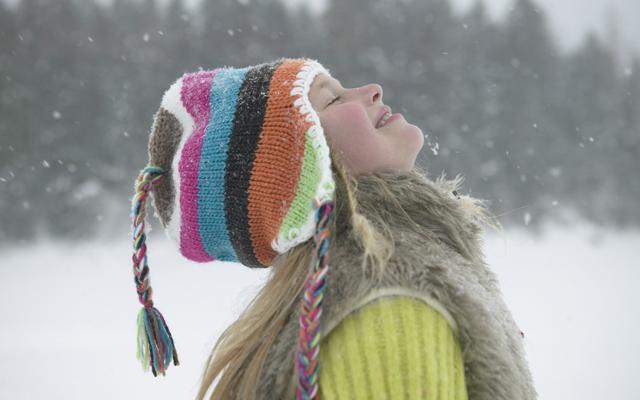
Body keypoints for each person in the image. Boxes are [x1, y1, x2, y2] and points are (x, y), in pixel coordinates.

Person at [129, 57, 537, 400]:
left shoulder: (405, 273)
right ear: (297, 169)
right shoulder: (390, 308)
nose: (373, 89)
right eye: (334, 98)